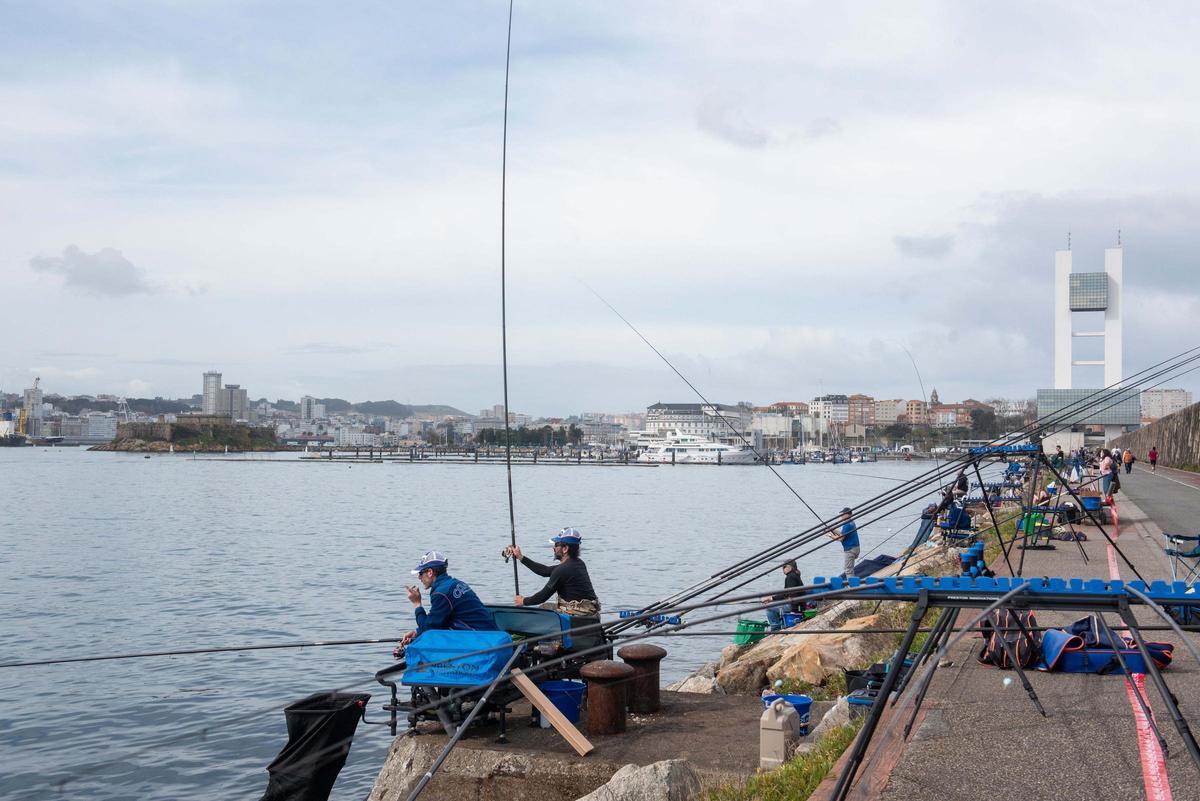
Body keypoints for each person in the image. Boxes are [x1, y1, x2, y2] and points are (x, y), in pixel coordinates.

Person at [396, 551, 498, 650]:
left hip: (482, 642)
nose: (419, 577)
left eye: (421, 573)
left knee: (426, 641)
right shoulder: (456, 583)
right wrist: (416, 632)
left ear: (430, 572)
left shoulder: (441, 593)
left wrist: (417, 604)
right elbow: (440, 621)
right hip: (491, 636)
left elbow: (428, 630)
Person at [503, 527, 600, 616]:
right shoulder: (578, 563)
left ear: (565, 548)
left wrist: (523, 601)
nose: (553, 548)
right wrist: (520, 557)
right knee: (546, 607)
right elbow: (545, 571)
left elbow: (542, 596)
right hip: (591, 615)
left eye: (556, 545)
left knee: (543, 610)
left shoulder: (563, 570)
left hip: (577, 619)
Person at [761, 559, 804, 631]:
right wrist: (772, 598)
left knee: (769, 608)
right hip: (798, 605)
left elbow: (786, 594)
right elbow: (786, 593)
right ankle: (780, 625)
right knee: (772, 604)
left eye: (784, 567)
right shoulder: (795, 575)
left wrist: (771, 598)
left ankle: (775, 629)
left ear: (789, 567)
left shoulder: (790, 577)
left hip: (793, 606)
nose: (783, 569)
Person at [827, 507, 860, 578]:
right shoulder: (851, 522)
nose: (841, 516)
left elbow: (840, 539)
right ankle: (852, 585)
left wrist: (830, 535)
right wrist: (831, 529)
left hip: (850, 550)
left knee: (848, 570)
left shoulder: (847, 525)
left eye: (843, 514)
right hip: (855, 548)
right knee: (850, 568)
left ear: (848, 515)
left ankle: (852, 587)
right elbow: (843, 534)